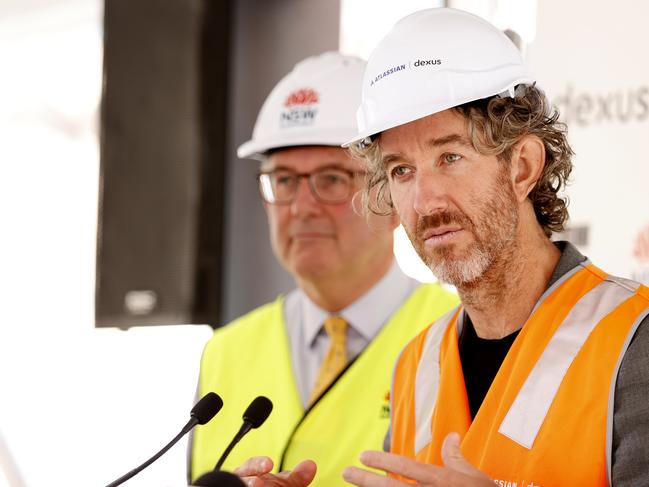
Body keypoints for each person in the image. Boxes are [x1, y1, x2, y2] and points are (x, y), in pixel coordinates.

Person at [337, 8, 649, 487]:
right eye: (402, 170)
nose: (424, 201)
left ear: (522, 167)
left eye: (451, 157)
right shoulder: (416, 366)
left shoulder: (635, 339)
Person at [188, 51, 458, 486]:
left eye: (331, 179)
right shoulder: (226, 351)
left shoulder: (458, 335)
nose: (301, 207)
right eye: (284, 180)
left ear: (392, 197)